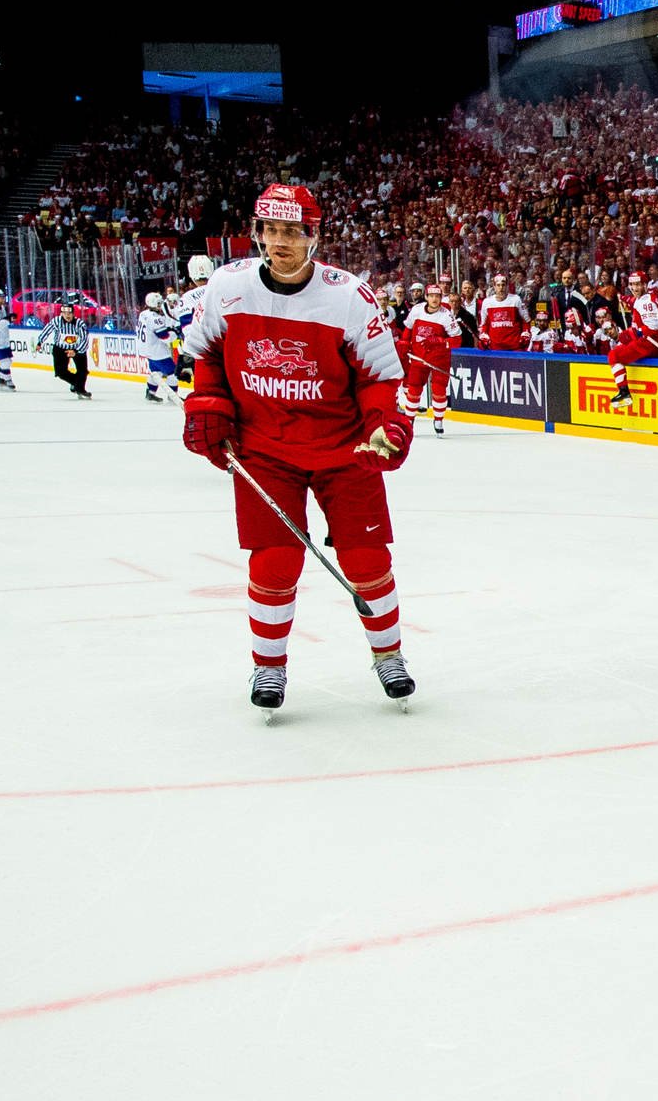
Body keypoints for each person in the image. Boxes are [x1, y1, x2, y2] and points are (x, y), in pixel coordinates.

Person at [180, 183, 414, 715]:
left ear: (313, 235)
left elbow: (380, 379)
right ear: (257, 232)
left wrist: (386, 426)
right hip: (263, 450)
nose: (280, 241)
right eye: (271, 230)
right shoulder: (227, 286)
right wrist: (210, 403)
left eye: (292, 231)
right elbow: (207, 358)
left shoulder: (348, 295)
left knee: (367, 559)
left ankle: (389, 655)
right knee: (274, 562)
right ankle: (269, 666)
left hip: (345, 449)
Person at [400, 282, 460, 436]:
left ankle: (438, 419)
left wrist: (440, 341)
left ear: (441, 298)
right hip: (419, 356)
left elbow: (457, 340)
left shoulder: (446, 315)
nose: (434, 299)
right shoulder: (417, 310)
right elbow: (408, 329)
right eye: (431, 296)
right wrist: (404, 344)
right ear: (426, 297)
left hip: (439, 359)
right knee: (413, 389)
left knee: (439, 390)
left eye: (437, 296)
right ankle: (409, 420)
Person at [609, 269, 658, 409]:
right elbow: (635, 301)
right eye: (632, 285)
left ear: (644, 285)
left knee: (614, 355)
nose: (634, 288)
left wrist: (627, 335)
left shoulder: (646, 303)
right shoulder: (643, 299)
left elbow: (651, 330)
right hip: (655, 342)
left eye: (638, 284)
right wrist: (625, 299)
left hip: (652, 342)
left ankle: (624, 392)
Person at [36, 298, 91, 399]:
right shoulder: (57, 321)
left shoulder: (80, 324)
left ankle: (80, 388)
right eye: (64, 313)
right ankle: (76, 384)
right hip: (60, 349)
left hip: (77, 349)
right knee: (60, 372)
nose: (67, 315)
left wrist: (76, 351)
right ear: (61, 313)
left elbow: (85, 340)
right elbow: (47, 330)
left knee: (82, 371)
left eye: (69, 313)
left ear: (73, 313)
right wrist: (40, 342)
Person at [136, 292, 181, 404]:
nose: (161, 305)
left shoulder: (143, 313)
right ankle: (173, 396)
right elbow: (165, 337)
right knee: (173, 374)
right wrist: (176, 331)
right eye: (159, 303)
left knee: (157, 372)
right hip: (158, 352)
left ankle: (150, 393)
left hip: (147, 349)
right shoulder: (155, 319)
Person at [176, 255, 215, 381]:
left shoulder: (187, 298)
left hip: (203, 350)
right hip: (224, 345)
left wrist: (188, 354)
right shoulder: (223, 289)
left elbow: (186, 327)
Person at [478, 273, 529, 351]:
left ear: (507, 286)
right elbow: (484, 324)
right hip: (494, 347)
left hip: (514, 347)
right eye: (498, 285)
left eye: (503, 285)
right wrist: (483, 335)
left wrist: (525, 333)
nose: (501, 288)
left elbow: (526, 320)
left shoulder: (516, 299)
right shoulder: (487, 302)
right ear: (494, 287)